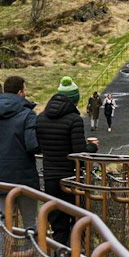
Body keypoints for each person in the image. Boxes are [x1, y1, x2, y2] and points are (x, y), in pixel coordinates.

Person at [35, 77, 99, 245]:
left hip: (49, 178)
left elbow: (39, 145)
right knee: (79, 220)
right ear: (75, 99)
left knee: (57, 223)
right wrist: (92, 147)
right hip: (71, 179)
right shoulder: (74, 120)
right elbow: (79, 152)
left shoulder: (41, 118)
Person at [0, 75, 38, 257]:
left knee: (3, 224)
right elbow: (32, 145)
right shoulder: (27, 114)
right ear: (20, 92)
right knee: (30, 223)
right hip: (24, 176)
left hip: (0, 176)